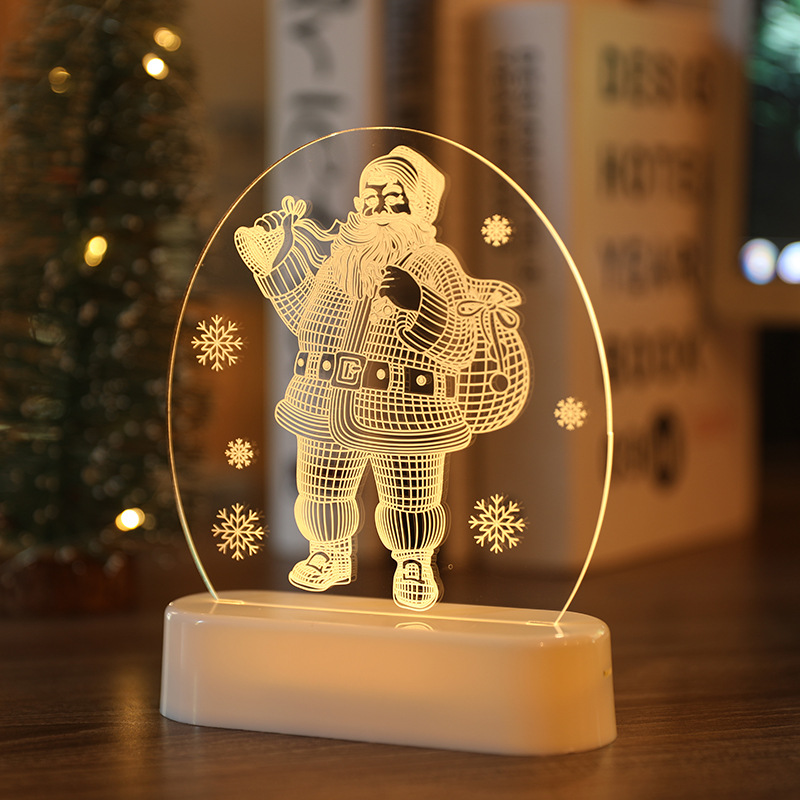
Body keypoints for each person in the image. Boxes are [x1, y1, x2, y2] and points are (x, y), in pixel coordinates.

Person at [235, 145, 521, 611]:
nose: (380, 209)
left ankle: (413, 563)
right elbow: (308, 322)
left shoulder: (436, 264)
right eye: (371, 198)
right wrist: (271, 267)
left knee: (410, 497)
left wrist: (419, 303)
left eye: (394, 199)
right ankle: (329, 553)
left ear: (420, 207)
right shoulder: (342, 261)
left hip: (406, 406)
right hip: (326, 399)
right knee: (321, 488)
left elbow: (459, 345)